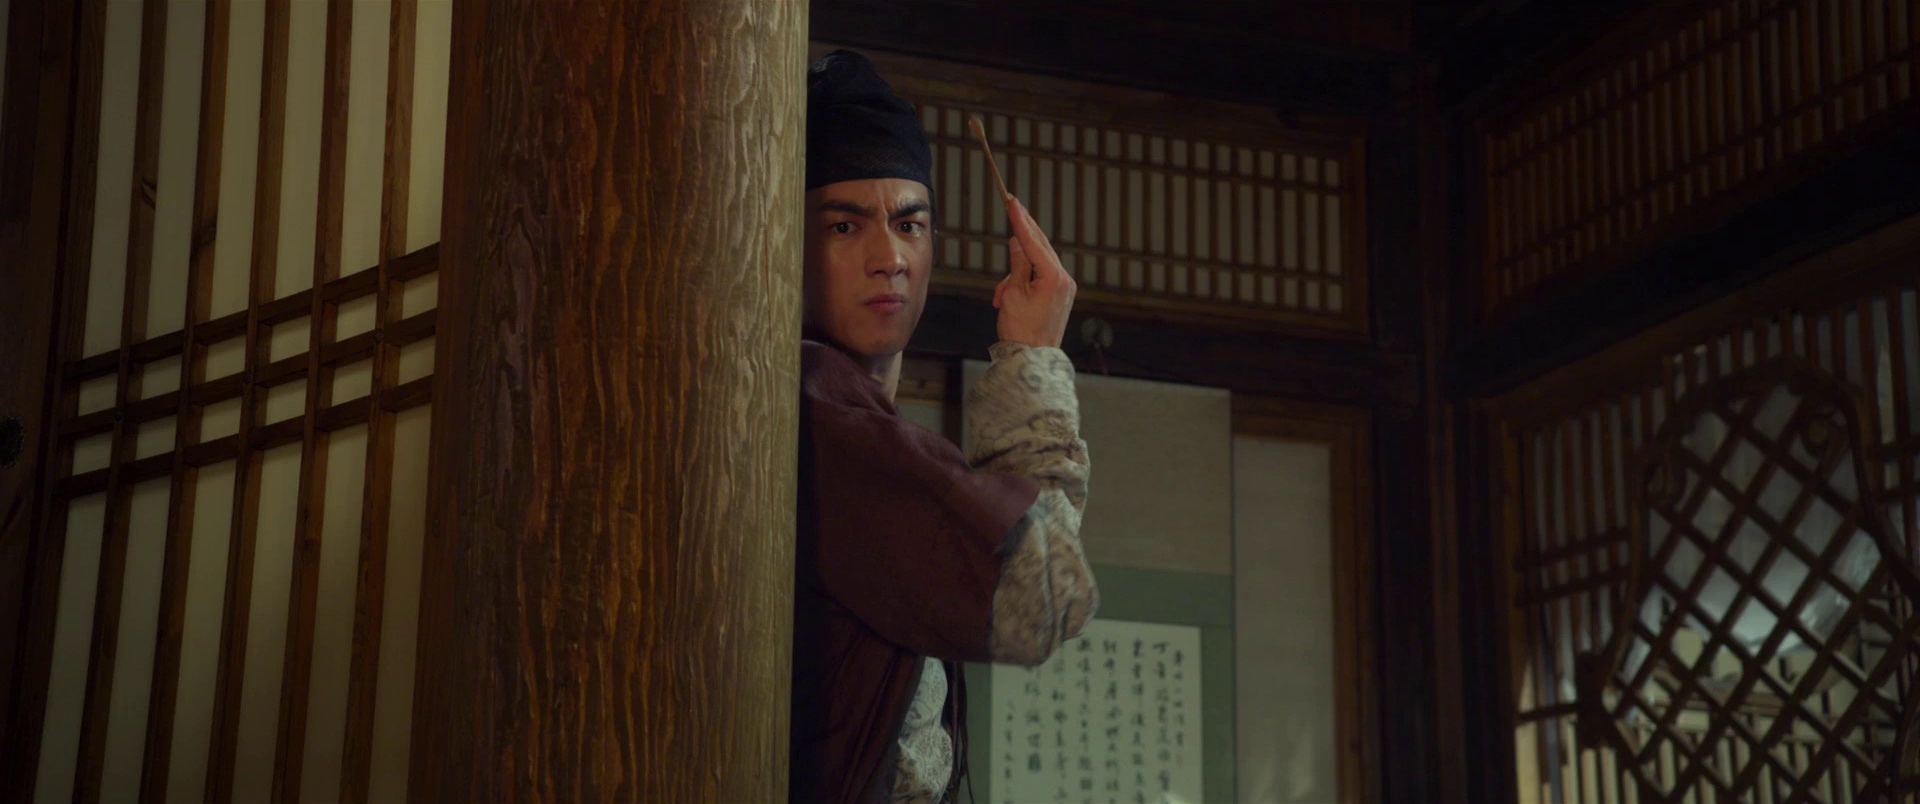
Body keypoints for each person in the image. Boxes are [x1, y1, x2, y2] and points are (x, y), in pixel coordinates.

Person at [792, 50, 1099, 804]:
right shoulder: (815, 406)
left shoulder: (852, 415)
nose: (889, 257)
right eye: (843, 225)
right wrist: (1033, 357)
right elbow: (1043, 590)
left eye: (909, 223)